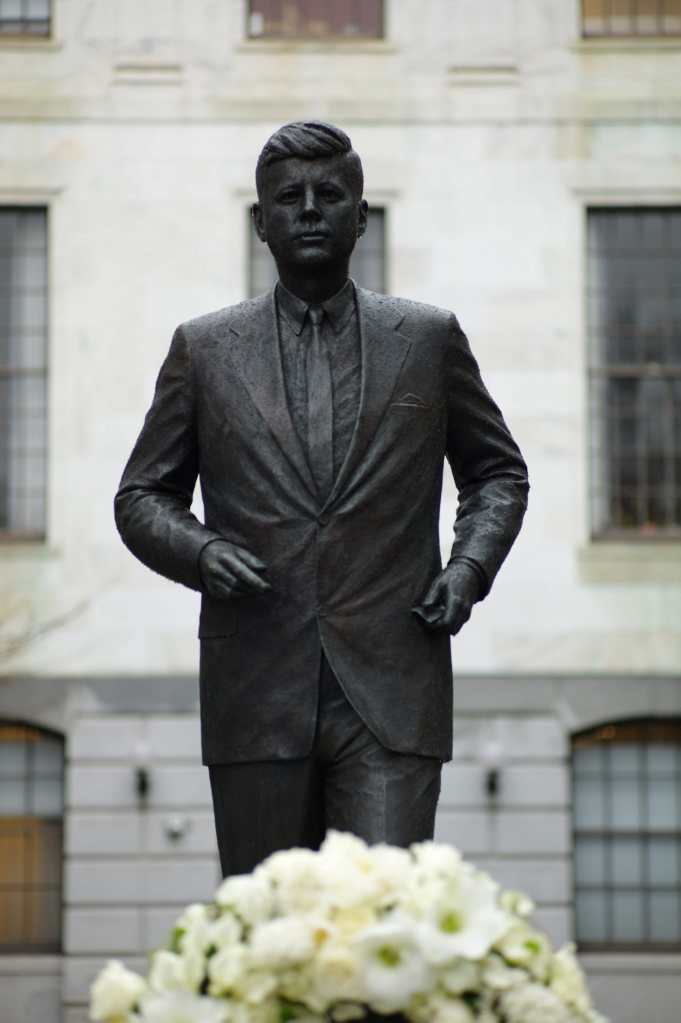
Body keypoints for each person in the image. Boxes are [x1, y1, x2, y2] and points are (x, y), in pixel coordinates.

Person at [114, 120, 529, 877]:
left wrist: (467, 571)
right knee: (265, 923)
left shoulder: (427, 339)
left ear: (361, 216)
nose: (309, 210)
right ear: (260, 222)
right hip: (255, 683)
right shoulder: (204, 349)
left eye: (328, 194)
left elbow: (497, 472)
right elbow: (142, 495)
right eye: (289, 198)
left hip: (393, 681)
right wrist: (201, 551)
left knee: (386, 919)